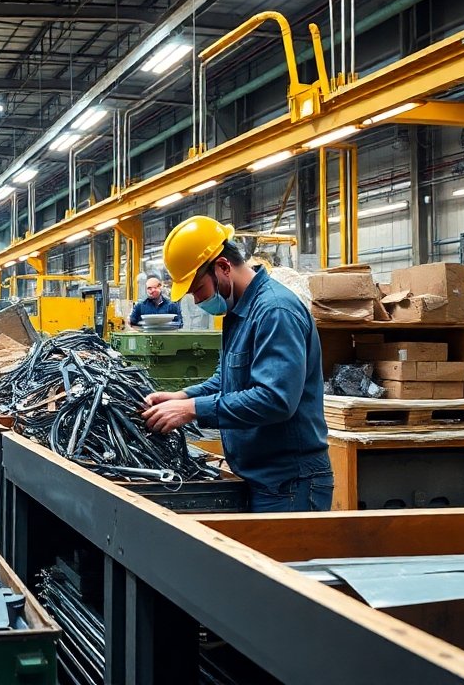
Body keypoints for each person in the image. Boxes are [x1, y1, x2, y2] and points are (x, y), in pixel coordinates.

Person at [142, 217, 332, 513]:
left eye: (198, 289)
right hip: (260, 479)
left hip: (290, 484)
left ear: (223, 267)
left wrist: (192, 410)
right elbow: (226, 381)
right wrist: (182, 397)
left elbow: (276, 399)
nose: (197, 298)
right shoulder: (239, 312)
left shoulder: (275, 311)